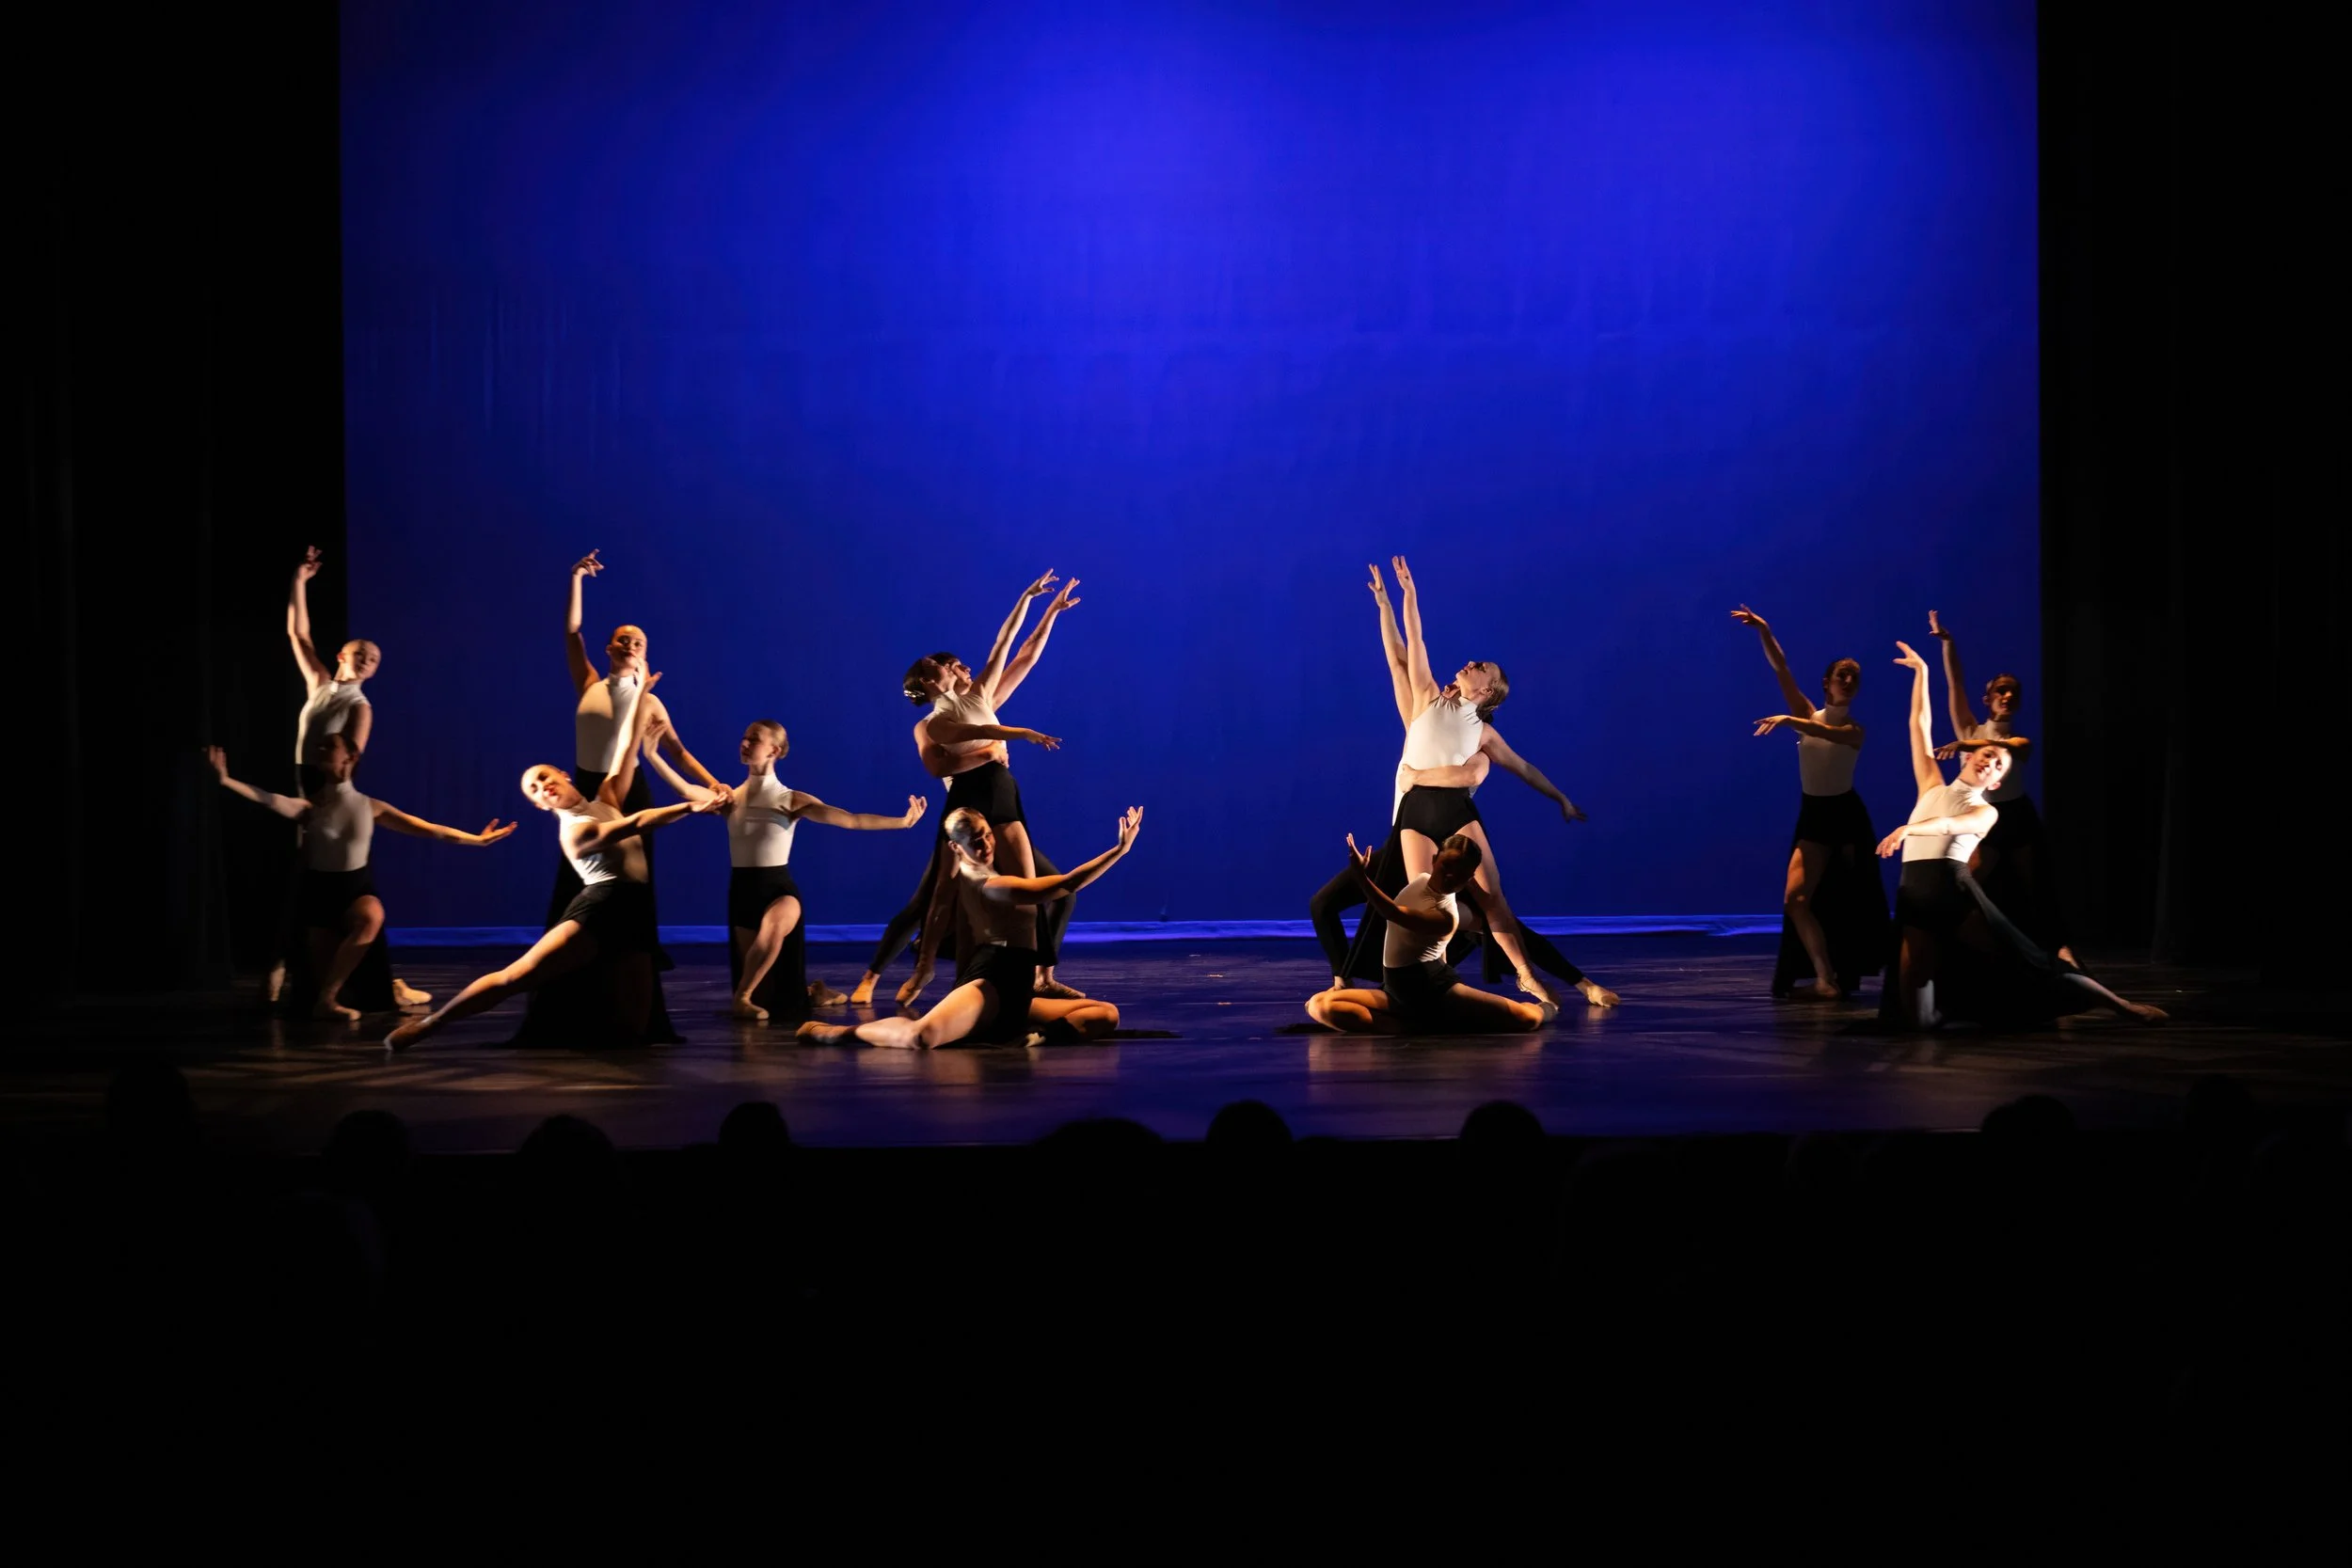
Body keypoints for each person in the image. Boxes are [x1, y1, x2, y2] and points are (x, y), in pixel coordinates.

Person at [1315, 558, 1616, 1008]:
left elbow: (1523, 767)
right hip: (1411, 816)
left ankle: (1530, 976)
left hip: (1450, 812)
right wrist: (1395, 599)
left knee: (1492, 905)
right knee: (1431, 906)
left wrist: (1562, 799)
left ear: (1487, 690)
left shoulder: (1482, 733)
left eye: (1481, 667)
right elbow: (1407, 646)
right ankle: (1418, 980)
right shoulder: (1425, 700)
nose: (1471, 663)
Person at [387, 675, 723, 1050]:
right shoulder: (574, 831)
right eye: (535, 790)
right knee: (516, 977)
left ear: (563, 776)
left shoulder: (607, 797)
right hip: (601, 907)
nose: (543, 786)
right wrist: (690, 806)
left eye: (544, 777)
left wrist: (640, 695)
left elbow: (625, 746)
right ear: (540, 805)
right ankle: (432, 1023)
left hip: (635, 908)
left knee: (635, 1026)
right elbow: (637, 822)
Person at [1876, 642, 2164, 1030]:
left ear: (1996, 782)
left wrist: (1909, 828)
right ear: (1969, 758)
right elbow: (1919, 725)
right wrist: (1922, 673)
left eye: (1998, 764)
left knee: (2031, 960)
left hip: (1953, 895)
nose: (1989, 761)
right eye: (1986, 755)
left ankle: (2121, 1006)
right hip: (1914, 895)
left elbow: (1946, 826)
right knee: (1916, 1018)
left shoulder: (1986, 811)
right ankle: (1969, 1012)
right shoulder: (1931, 786)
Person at [512, 549, 727, 1045]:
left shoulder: (650, 701)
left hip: (629, 793)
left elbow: (678, 751)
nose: (629, 644)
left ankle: (633, 1004)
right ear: (611, 647)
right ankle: (564, 996)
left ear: (645, 654)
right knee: (577, 891)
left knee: (628, 894)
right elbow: (571, 633)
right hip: (581, 790)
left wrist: (715, 783)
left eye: (638, 641)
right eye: (623, 639)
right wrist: (576, 579)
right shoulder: (588, 683)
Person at [848, 569, 1084, 1007]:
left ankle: (1038, 977)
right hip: (966, 802)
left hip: (999, 792)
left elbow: (1016, 650)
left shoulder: (981, 699)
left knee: (1042, 888)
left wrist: (1045, 606)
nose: (961, 667)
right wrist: (996, 747)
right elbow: (939, 764)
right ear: (932, 680)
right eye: (950, 665)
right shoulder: (930, 723)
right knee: (934, 897)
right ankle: (900, 970)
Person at [209, 736, 516, 1021]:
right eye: (320, 747)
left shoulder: (370, 807)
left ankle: (329, 1001)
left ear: (351, 757)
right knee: (323, 986)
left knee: (371, 914)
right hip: (319, 895)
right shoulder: (310, 807)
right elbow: (268, 799)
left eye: (330, 746)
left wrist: (477, 840)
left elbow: (428, 829)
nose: (321, 751)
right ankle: (386, 989)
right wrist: (226, 780)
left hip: (355, 889)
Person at [643, 719, 928, 1022]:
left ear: (774, 750)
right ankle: (815, 993)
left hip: (779, 890)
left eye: (754, 739)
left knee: (771, 937)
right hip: (742, 891)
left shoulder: (790, 799)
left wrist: (902, 822)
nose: (745, 743)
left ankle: (741, 999)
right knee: (772, 994)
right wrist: (652, 755)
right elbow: (686, 790)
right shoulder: (731, 799)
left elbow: (850, 819)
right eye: (744, 737)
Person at [797, 806, 1137, 1049]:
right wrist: (1119, 850)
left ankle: (1034, 1035)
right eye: (976, 840)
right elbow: (1065, 885)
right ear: (956, 848)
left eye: (988, 835)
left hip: (1017, 988)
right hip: (991, 981)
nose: (987, 845)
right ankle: (837, 1033)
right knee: (921, 1037)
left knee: (1105, 1014)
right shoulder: (988, 884)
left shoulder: (981, 871)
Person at [1732, 604, 1892, 1000]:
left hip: (1846, 816)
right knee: (1796, 899)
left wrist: (1790, 722)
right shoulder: (1809, 714)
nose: (1849, 680)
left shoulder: (1854, 729)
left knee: (1849, 900)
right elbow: (1781, 669)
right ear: (1827, 682)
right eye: (1842, 675)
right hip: (1815, 814)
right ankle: (1824, 978)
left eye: (1854, 677)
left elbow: (1830, 735)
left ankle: (1844, 973)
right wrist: (1764, 631)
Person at [1929, 610, 2076, 966]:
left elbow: (2008, 749)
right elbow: (1955, 684)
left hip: (2017, 817)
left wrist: (1965, 746)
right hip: (1984, 819)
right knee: (1966, 884)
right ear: (1988, 699)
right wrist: (1948, 644)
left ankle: (2059, 953)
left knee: (2035, 889)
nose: (2007, 696)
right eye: (2001, 690)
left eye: (2013, 692)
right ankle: (1965, 951)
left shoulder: (2018, 741)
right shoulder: (1971, 729)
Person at [1306, 832, 1556, 1035]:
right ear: (1435, 859)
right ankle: (1415, 1026)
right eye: (1446, 866)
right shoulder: (1421, 881)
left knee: (1527, 1019)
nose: (1449, 876)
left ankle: (1548, 1007)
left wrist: (1361, 876)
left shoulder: (1446, 916)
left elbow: (1394, 913)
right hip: (1397, 992)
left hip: (1435, 992)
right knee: (1318, 1006)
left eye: (1459, 873)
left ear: (1469, 878)